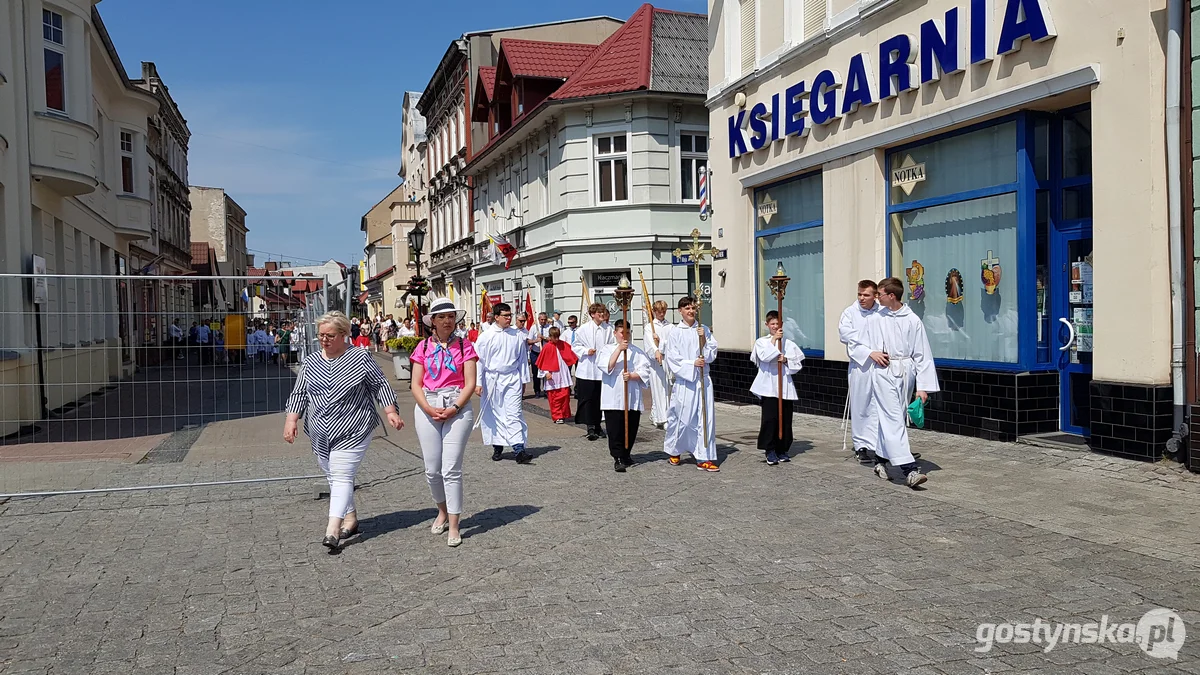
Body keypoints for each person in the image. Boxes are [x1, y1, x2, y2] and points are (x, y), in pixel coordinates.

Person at [284, 311, 403, 551]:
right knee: (333, 475)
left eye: (329, 335)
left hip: (354, 427)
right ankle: (350, 518)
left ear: (344, 334)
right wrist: (291, 420)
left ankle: (332, 529)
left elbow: (379, 384)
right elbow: (299, 393)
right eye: (320, 336)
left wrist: (390, 411)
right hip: (319, 430)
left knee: (341, 476)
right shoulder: (311, 361)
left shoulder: (360, 358)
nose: (324, 340)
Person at [410, 298, 478, 548]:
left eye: (451, 316)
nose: (448, 321)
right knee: (432, 468)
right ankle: (441, 509)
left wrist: (454, 408)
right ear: (433, 322)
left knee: (451, 468)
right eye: (442, 317)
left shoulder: (465, 346)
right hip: (428, 404)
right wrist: (427, 408)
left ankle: (454, 522)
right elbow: (415, 383)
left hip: (457, 406)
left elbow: (470, 382)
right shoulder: (423, 347)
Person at [863, 277, 938, 489]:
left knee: (893, 418)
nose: (877, 298)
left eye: (880, 294)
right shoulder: (876, 318)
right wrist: (871, 353)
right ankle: (909, 469)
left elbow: (922, 354)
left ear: (891, 296)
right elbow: (856, 342)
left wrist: (922, 387)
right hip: (883, 371)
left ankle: (880, 460)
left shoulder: (912, 320)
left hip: (906, 372)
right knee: (893, 417)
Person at [663, 296, 719, 471]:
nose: (691, 311)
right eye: (687, 308)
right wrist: (691, 363)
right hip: (685, 381)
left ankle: (704, 456)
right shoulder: (675, 332)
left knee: (705, 419)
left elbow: (711, 353)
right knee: (683, 419)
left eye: (693, 308)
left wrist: (703, 339)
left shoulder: (703, 330)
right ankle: (675, 449)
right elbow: (672, 358)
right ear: (680, 311)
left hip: (703, 380)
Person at [475, 303, 532, 463]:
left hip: (512, 378)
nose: (509, 318)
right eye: (505, 316)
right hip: (492, 380)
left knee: (514, 413)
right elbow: (479, 361)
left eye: (510, 315)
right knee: (496, 413)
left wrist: (523, 380)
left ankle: (519, 449)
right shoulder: (486, 336)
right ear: (496, 317)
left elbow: (522, 359)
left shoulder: (517, 335)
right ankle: (498, 447)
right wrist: (478, 382)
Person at [750, 310, 805, 465]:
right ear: (768, 325)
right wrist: (774, 341)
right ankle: (770, 449)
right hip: (769, 386)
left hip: (784, 385)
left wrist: (786, 359)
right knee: (770, 418)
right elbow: (764, 357)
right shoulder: (762, 342)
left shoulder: (789, 343)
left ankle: (783, 448)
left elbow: (797, 364)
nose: (775, 326)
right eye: (772, 324)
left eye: (778, 324)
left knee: (785, 419)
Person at [598, 320, 651, 473]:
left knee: (631, 427)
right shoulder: (607, 349)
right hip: (613, 396)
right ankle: (618, 457)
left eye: (628, 333)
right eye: (622, 333)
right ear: (615, 334)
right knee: (615, 429)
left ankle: (627, 453)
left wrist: (634, 375)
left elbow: (645, 371)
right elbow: (606, 366)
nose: (625, 336)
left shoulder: (637, 351)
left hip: (631, 396)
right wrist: (619, 350)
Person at [839, 280, 882, 464]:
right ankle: (861, 446)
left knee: (881, 405)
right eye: (859, 294)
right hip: (861, 366)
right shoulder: (850, 313)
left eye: (866, 295)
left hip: (881, 365)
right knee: (861, 405)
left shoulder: (882, 312)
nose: (862, 298)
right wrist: (869, 351)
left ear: (875, 296)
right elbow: (847, 337)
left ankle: (881, 446)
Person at [572, 303, 614, 441]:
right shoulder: (583, 329)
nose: (602, 315)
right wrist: (585, 351)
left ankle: (598, 425)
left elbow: (613, 345)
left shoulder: (609, 329)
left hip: (602, 370)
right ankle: (590, 426)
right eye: (599, 313)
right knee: (588, 399)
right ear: (592, 314)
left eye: (603, 312)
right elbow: (575, 346)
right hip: (587, 369)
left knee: (600, 399)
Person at [642, 300, 675, 429]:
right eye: (659, 311)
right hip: (656, 363)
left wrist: (661, 342)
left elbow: (673, 343)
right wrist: (655, 350)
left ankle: (658, 414)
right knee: (658, 389)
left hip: (668, 361)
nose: (661, 314)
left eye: (663, 311)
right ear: (654, 312)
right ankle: (662, 418)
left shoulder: (670, 326)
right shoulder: (650, 327)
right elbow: (649, 344)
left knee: (667, 390)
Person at [535, 326, 577, 423]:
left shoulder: (563, 344)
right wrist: (546, 372)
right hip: (553, 375)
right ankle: (557, 416)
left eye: (558, 337)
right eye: (555, 337)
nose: (557, 339)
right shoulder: (547, 347)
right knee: (554, 397)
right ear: (550, 336)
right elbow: (542, 362)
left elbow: (572, 352)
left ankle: (564, 414)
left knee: (565, 395)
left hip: (563, 373)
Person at [528, 313, 551, 398]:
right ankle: (537, 391)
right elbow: (528, 341)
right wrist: (536, 340)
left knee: (546, 372)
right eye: (541, 320)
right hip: (535, 353)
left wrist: (543, 337)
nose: (543, 321)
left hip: (545, 353)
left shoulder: (549, 327)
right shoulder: (534, 327)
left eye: (545, 319)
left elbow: (552, 339)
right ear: (538, 319)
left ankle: (546, 390)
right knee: (535, 372)